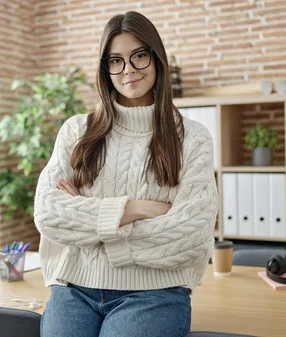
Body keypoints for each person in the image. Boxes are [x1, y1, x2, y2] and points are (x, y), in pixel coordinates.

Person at [33, 10, 218, 337]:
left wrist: (94, 226)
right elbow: (49, 214)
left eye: (139, 56)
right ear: (105, 69)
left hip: (156, 294)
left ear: (157, 59)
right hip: (74, 289)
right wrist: (137, 209)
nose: (128, 69)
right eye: (115, 60)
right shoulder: (77, 131)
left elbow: (192, 231)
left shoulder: (192, 137)